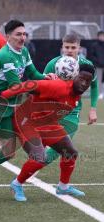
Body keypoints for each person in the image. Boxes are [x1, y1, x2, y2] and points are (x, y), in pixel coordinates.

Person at [0, 19, 52, 203]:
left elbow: (34, 74)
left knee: (9, 152)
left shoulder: (23, 51)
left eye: (24, 34)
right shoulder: (5, 56)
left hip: (8, 108)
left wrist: (47, 79)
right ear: (8, 36)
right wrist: (42, 87)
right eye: (18, 34)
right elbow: (16, 86)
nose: (22, 37)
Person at [0, 64, 95, 201]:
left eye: (88, 81)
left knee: (70, 152)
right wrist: (2, 95)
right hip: (27, 121)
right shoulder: (58, 86)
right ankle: (17, 184)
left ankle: (63, 187)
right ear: (74, 76)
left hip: (47, 124)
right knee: (40, 158)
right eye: (82, 78)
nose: (84, 83)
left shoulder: (76, 96)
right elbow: (29, 85)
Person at [43, 33, 98, 167]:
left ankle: (36, 166)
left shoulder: (86, 65)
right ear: (62, 47)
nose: (69, 50)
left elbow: (95, 86)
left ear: (79, 48)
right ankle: (33, 167)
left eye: (73, 47)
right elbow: (42, 85)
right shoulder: (53, 64)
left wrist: (93, 109)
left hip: (73, 110)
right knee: (45, 144)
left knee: (64, 144)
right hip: (52, 109)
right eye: (67, 47)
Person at [90, 30, 104, 99]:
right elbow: (92, 56)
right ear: (98, 37)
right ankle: (100, 93)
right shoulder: (94, 45)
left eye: (103, 36)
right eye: (101, 36)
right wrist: (97, 62)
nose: (102, 37)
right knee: (98, 80)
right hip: (98, 66)